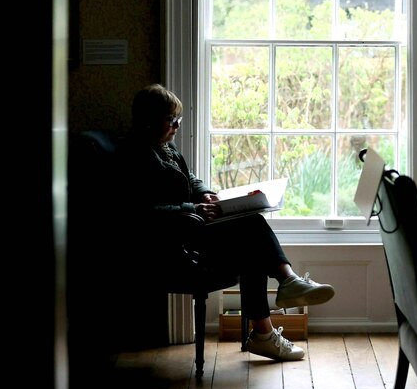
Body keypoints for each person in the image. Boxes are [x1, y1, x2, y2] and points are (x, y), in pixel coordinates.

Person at [116, 84, 335, 361]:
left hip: (192, 228)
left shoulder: (166, 148)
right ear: (148, 119)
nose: (177, 126)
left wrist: (205, 192)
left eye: (178, 120)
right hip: (171, 240)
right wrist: (190, 208)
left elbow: (190, 178)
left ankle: (267, 328)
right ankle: (282, 295)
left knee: (251, 238)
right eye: (171, 120)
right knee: (252, 227)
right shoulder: (132, 153)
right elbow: (137, 211)